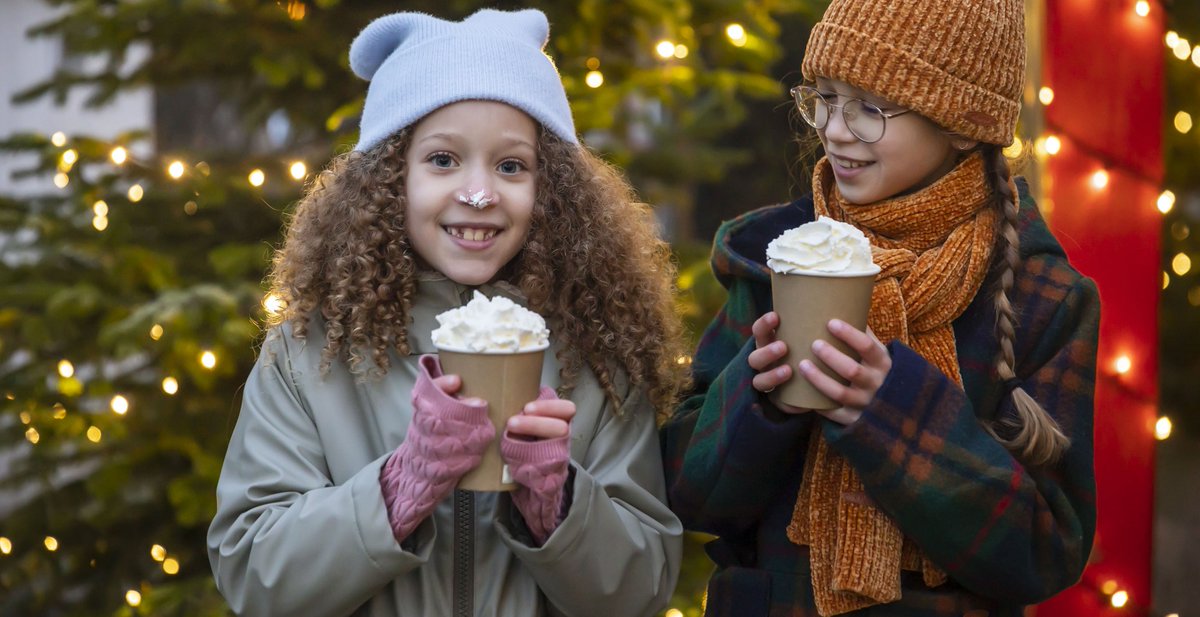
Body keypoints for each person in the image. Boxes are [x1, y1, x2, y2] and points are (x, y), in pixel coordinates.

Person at [207, 9, 688, 617]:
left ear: (553, 190)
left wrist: (560, 504)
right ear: (388, 178)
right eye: (443, 160)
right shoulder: (308, 352)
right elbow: (251, 573)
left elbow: (642, 593)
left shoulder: (597, 353)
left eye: (511, 165)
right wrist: (400, 486)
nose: (480, 192)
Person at [662, 0, 1100, 615]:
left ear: (962, 123)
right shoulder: (773, 258)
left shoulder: (1042, 299)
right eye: (826, 97)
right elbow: (687, 494)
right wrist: (756, 396)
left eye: (870, 107)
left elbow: (1045, 552)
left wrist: (892, 409)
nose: (836, 129)